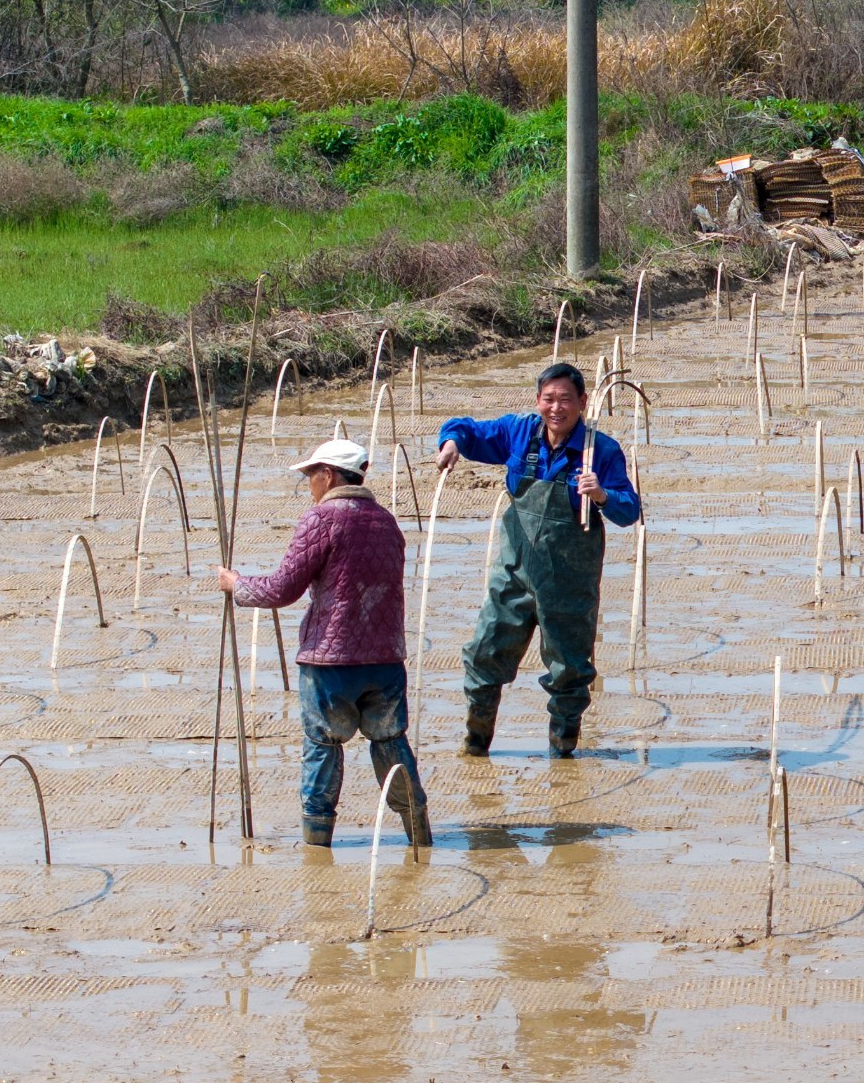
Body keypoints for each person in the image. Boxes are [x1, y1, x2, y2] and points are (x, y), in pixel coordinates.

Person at [217, 436, 430, 850]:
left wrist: (237, 585)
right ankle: (419, 835)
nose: (310, 486)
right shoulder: (386, 521)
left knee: (322, 748)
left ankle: (317, 846)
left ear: (329, 475)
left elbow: (282, 589)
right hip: (386, 658)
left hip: (331, 662)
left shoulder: (322, 519)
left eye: (312, 476)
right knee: (391, 743)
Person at [436, 361, 643, 759]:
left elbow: (629, 510)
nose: (556, 408)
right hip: (513, 575)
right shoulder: (519, 432)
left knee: (569, 671)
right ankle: (475, 744)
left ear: (582, 402)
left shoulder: (599, 450)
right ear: (538, 401)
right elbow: (465, 429)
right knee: (483, 656)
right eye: (549, 399)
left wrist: (601, 495)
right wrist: (451, 444)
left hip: (569, 584)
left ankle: (562, 754)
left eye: (566, 399)